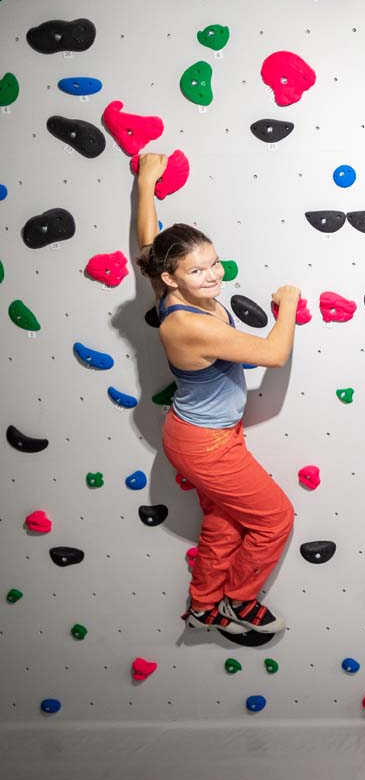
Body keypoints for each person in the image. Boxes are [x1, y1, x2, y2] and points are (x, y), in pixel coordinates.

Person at [133, 152, 297, 636]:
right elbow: (272, 354)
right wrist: (286, 305)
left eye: (215, 263)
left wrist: (146, 184)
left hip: (203, 435)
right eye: (199, 272)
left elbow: (147, 244)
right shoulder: (188, 325)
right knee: (275, 520)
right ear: (171, 279)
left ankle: (203, 606)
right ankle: (239, 603)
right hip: (205, 444)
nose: (213, 276)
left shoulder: (167, 291)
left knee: (225, 524)